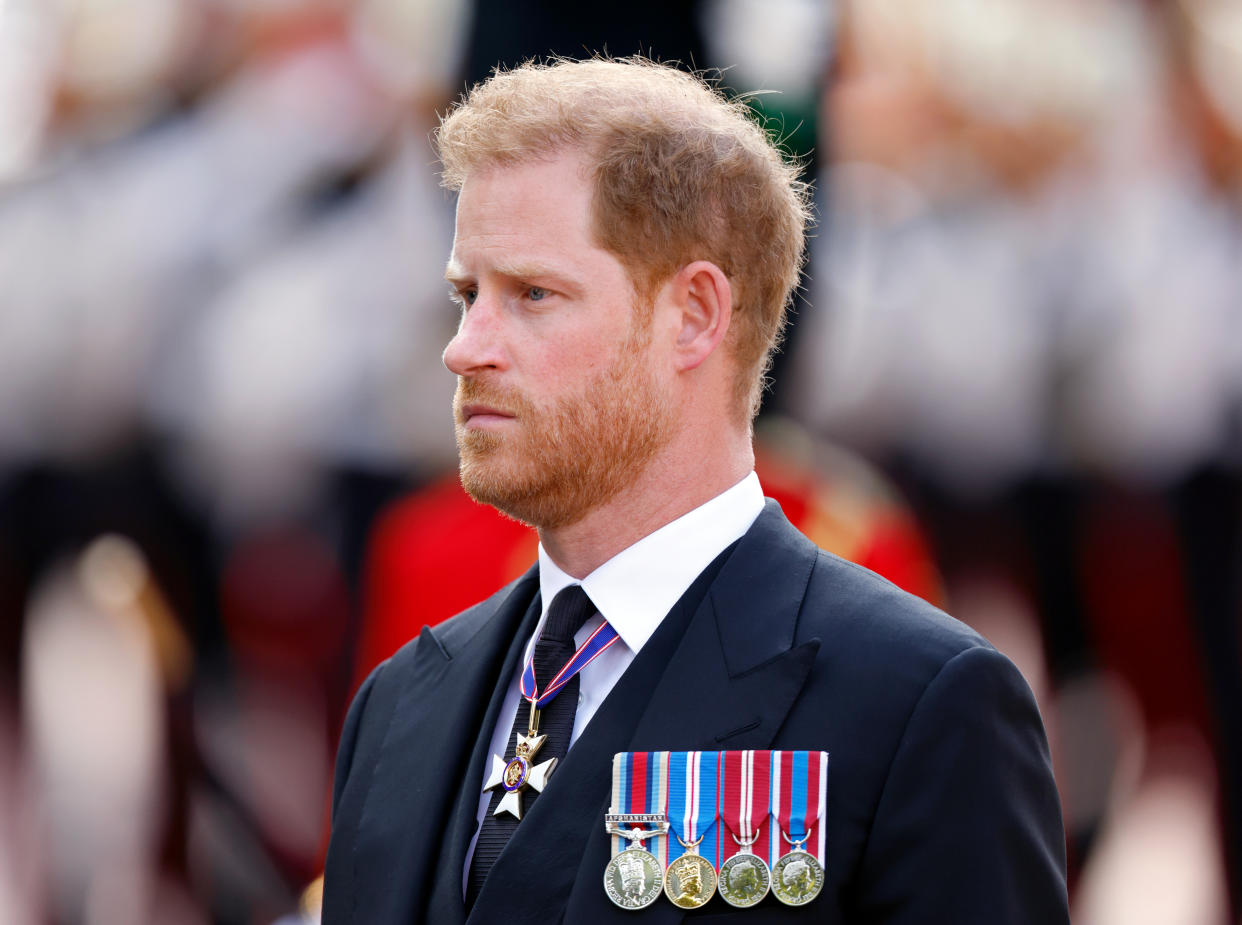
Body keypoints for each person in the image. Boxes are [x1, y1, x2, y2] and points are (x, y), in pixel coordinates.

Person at [322, 56, 1069, 924]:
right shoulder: (402, 700)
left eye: (532, 292)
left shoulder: (918, 704)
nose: (466, 346)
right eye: (466, 294)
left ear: (694, 316)